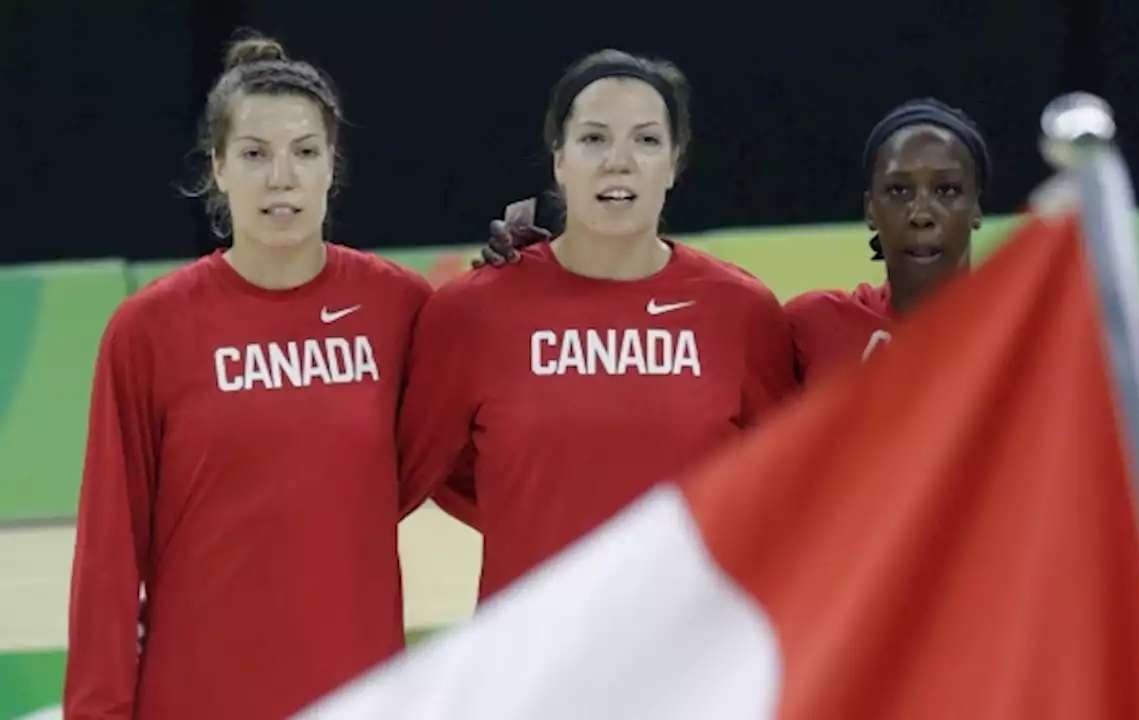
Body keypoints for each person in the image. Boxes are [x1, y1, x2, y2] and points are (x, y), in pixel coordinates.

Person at [65, 33, 433, 720]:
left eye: (304, 152)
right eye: (255, 155)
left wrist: (525, 284)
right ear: (218, 168)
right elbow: (108, 557)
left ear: (332, 166)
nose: (281, 178)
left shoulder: (402, 310)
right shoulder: (149, 331)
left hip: (358, 697)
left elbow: (501, 441)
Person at [398, 49, 796, 602]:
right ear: (558, 158)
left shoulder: (742, 313)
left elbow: (785, 486)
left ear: (676, 162)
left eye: (647, 140)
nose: (619, 160)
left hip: (693, 663)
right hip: (536, 664)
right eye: (593, 138)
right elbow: (430, 476)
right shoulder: (473, 314)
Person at [480, 98, 992, 383]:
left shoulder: (1034, 334)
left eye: (947, 190)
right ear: (870, 211)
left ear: (976, 209)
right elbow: (657, 354)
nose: (923, 213)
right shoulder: (815, 330)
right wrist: (543, 280)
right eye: (898, 191)